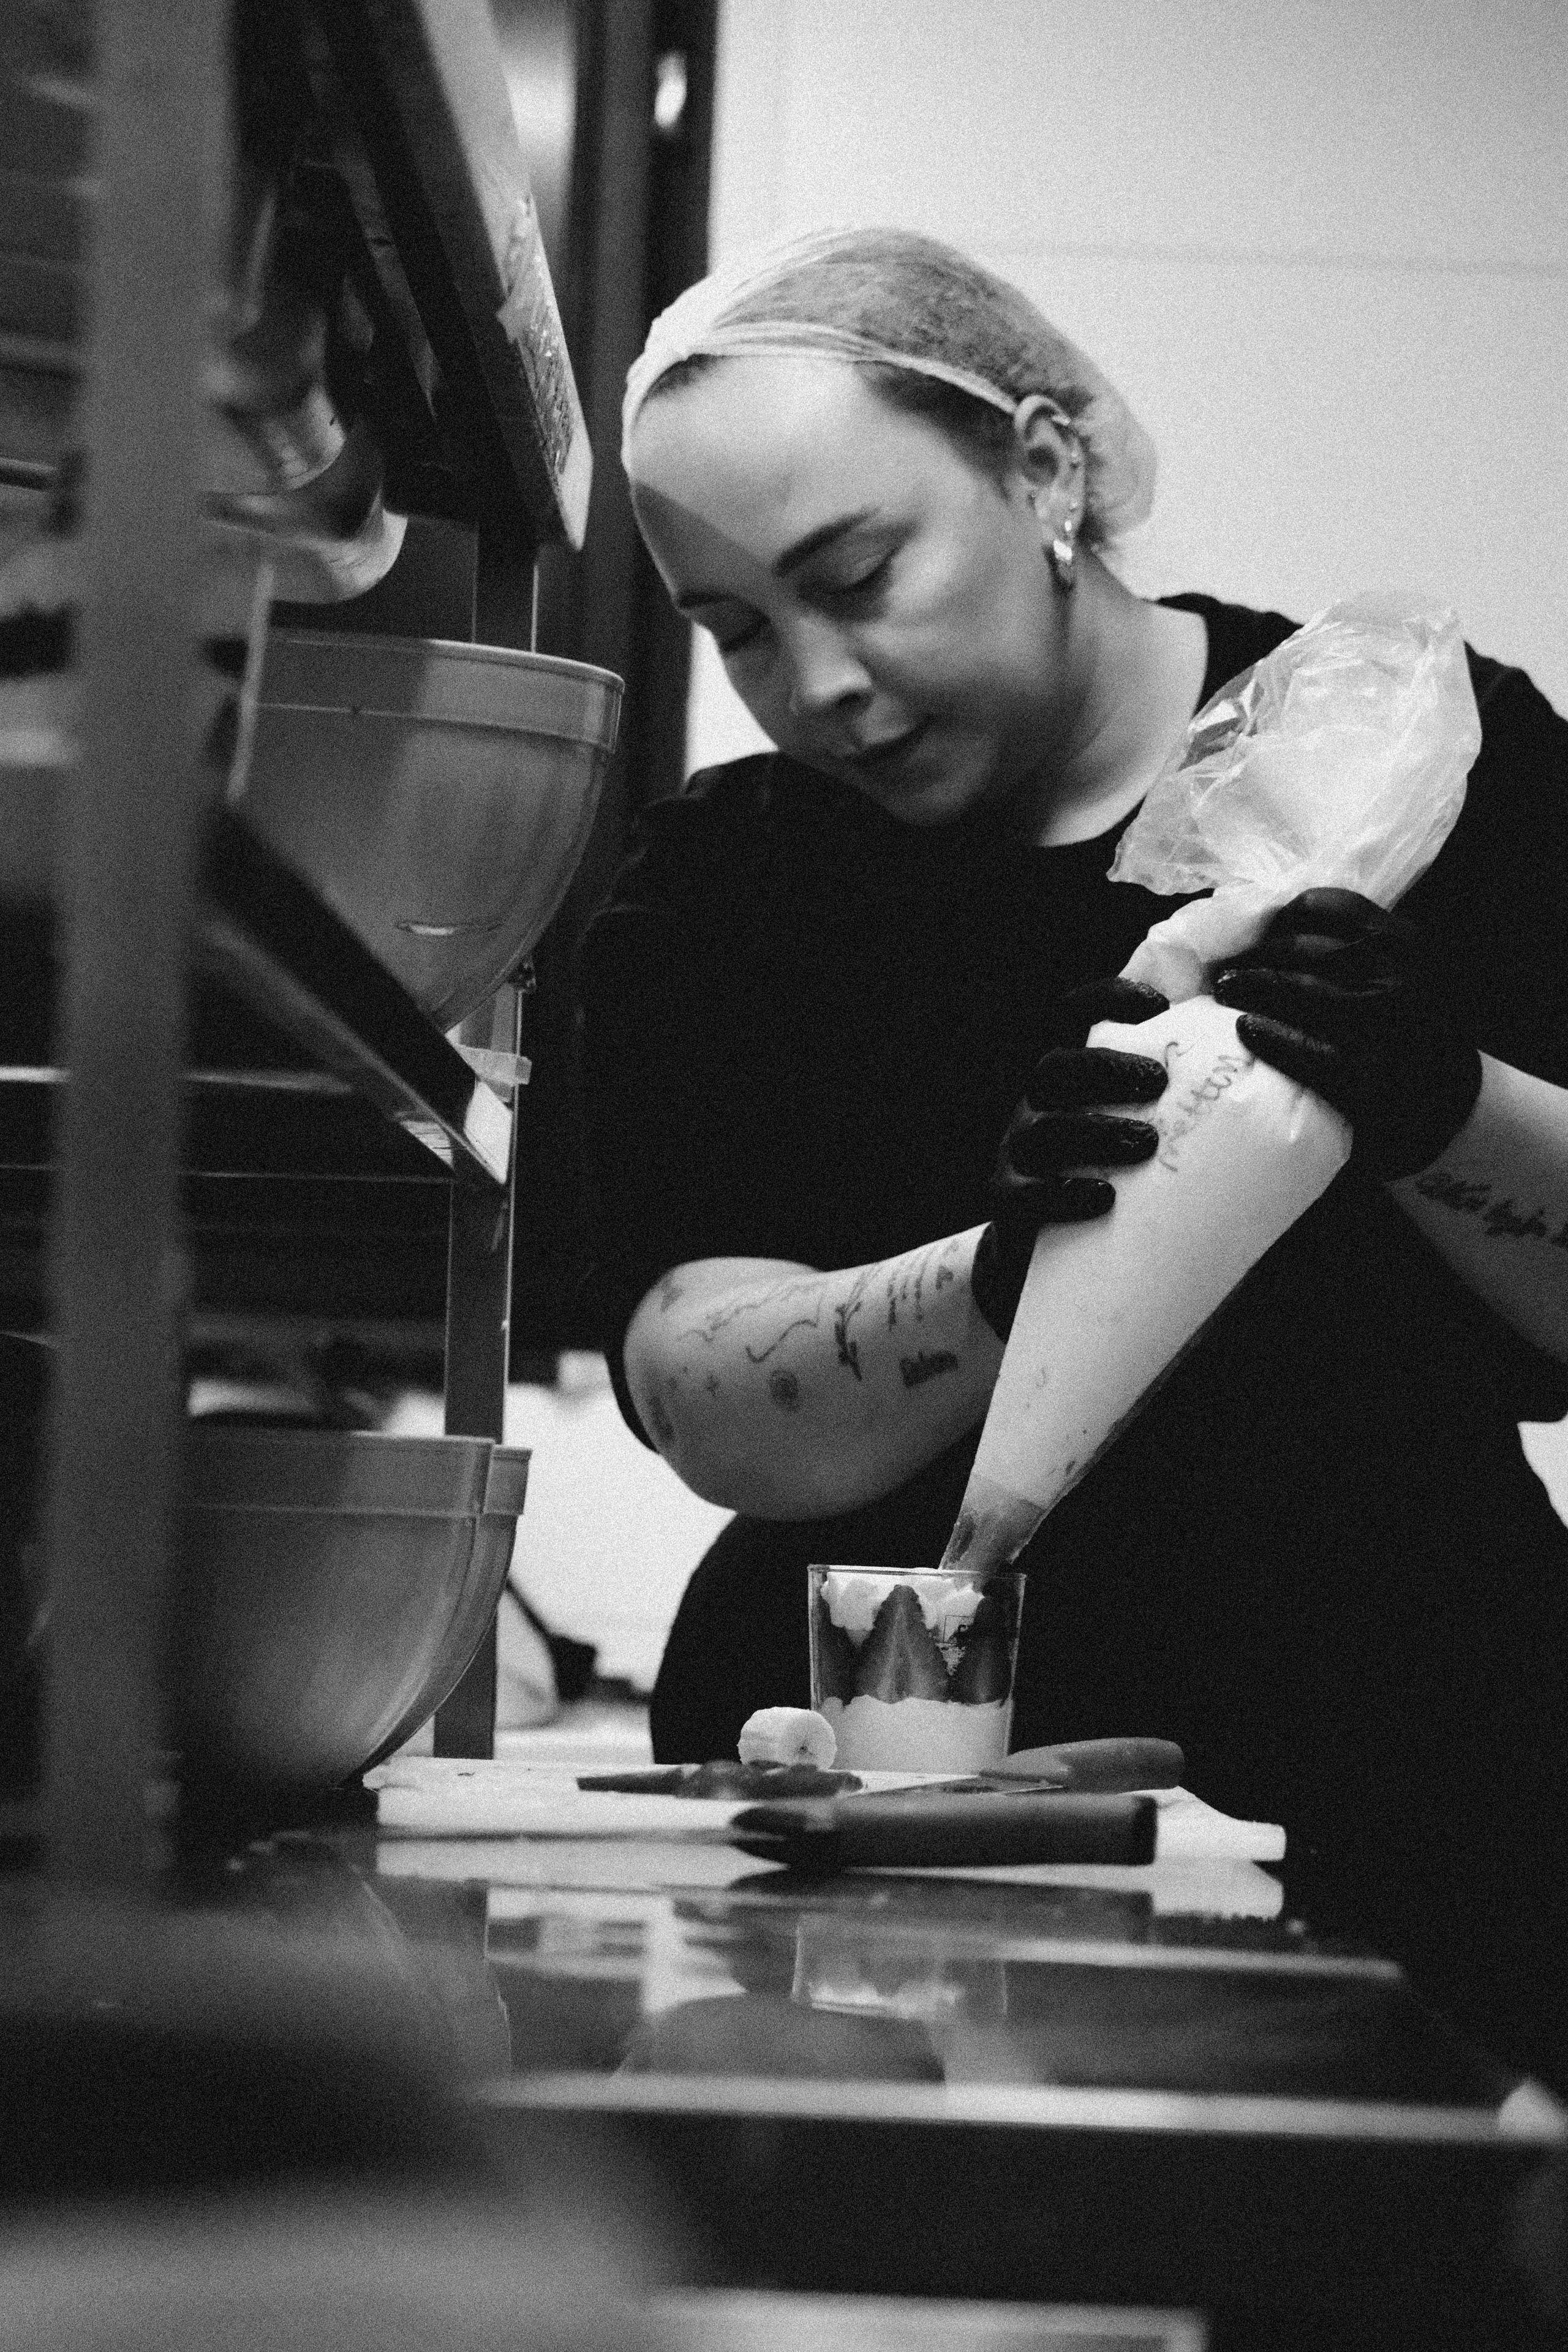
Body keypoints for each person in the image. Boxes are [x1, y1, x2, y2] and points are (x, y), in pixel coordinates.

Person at [577, 227, 1568, 2086]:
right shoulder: (727, 891)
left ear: (1044, 469)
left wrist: (1445, 1104)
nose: (821, 685)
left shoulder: (1434, 769)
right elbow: (701, 1388)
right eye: (736, 631)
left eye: (857, 577)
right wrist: (994, 1277)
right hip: (879, 1811)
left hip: (1418, 1769)